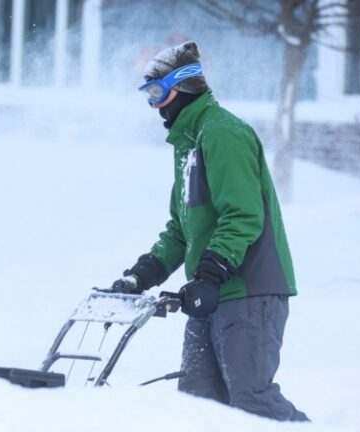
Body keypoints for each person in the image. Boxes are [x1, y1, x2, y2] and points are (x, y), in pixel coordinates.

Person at [111, 41, 309, 422]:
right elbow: (181, 229)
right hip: (211, 293)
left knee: (251, 401)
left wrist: (209, 273)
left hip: (248, 292)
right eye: (148, 96)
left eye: (157, 94)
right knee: (198, 408)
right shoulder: (188, 144)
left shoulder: (222, 133)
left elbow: (243, 215)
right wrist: (142, 274)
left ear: (181, 88)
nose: (154, 106)